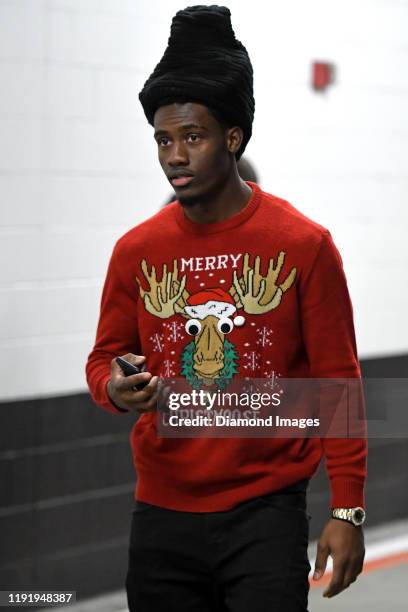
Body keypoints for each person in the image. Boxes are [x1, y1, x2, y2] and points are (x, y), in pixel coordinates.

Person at [86, 5, 367, 611]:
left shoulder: (303, 245)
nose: (174, 155)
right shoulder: (136, 250)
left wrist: (347, 508)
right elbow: (103, 359)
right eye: (164, 139)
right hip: (160, 516)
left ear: (233, 138)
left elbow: (337, 383)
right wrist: (113, 386)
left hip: (265, 516)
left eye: (193, 136)